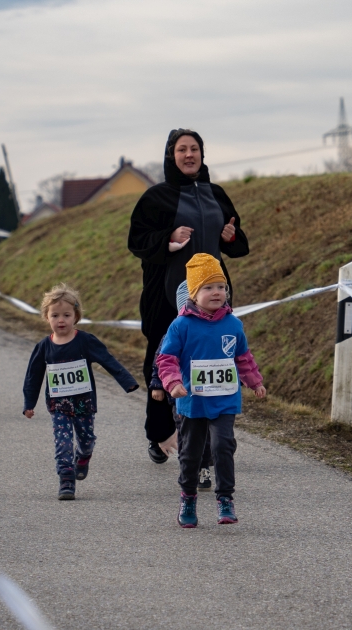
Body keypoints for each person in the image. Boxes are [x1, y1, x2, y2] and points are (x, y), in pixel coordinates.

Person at [128, 128, 250, 465]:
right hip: (167, 294)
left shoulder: (217, 193)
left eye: (194, 149)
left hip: (212, 296)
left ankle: (215, 435)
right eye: (181, 149)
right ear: (171, 155)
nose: (188, 155)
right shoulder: (156, 197)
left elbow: (239, 243)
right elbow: (136, 240)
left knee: (214, 359)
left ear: (201, 154)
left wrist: (229, 236)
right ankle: (160, 431)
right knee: (162, 359)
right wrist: (168, 236)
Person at [156, 254, 266, 528]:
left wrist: (254, 381)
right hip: (192, 400)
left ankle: (225, 499)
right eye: (208, 287)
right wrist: (173, 383)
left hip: (225, 398)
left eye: (221, 287)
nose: (217, 292)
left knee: (223, 446)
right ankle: (188, 498)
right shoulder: (181, 325)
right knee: (191, 453)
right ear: (193, 293)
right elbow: (166, 359)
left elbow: (243, 357)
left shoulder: (233, 324)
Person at [22, 283, 139, 500]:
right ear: (46, 317)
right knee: (63, 441)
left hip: (84, 402)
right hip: (59, 405)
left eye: (66, 315)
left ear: (76, 316)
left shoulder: (85, 341)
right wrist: (29, 403)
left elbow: (108, 360)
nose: (61, 320)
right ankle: (66, 479)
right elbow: (33, 376)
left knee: (86, 439)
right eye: (55, 315)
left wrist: (127, 381)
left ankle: (83, 456)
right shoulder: (43, 347)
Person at [149, 280, 213, 490]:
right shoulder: (174, 332)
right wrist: (158, 384)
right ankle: (189, 469)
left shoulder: (216, 331)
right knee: (188, 435)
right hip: (183, 396)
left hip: (210, 394)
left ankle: (204, 469)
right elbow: (161, 358)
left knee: (208, 435)